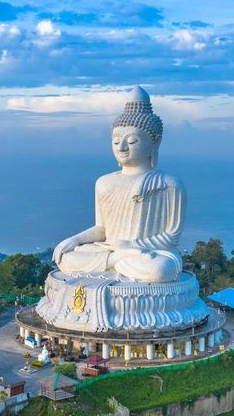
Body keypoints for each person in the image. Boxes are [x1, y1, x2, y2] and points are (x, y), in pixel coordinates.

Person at [52, 87, 185, 284]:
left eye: (131, 141)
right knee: (65, 257)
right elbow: (102, 228)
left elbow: (171, 237)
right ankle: (115, 261)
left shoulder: (169, 184)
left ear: (155, 142)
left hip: (147, 253)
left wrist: (132, 246)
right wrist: (75, 239)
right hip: (113, 250)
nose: (121, 147)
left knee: (160, 270)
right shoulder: (104, 182)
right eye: (115, 142)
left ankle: (116, 260)